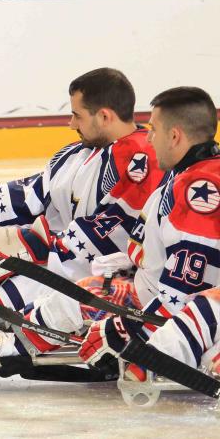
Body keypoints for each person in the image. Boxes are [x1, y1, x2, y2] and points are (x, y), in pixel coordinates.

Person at [0, 68, 166, 362]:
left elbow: (112, 234)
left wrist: (39, 246)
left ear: (105, 116)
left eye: (77, 115)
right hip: (59, 262)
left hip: (97, 275)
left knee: (16, 276)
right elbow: (24, 196)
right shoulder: (76, 154)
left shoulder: (141, 160)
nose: (70, 123)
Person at [78, 86, 220, 377]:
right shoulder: (185, 174)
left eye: (154, 129)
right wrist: (134, 263)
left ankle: (6, 344)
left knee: (201, 346)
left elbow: (186, 286)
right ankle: (6, 341)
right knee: (84, 294)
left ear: (175, 135)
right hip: (166, 300)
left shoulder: (199, 187)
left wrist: (133, 331)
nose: (149, 137)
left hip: (190, 311)